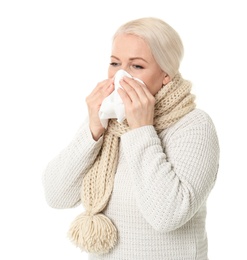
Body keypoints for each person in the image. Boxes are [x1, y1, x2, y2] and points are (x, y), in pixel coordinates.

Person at [42, 17, 220, 260]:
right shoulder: (109, 120)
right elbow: (56, 196)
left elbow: (167, 216)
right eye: (115, 63)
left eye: (136, 66)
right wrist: (92, 131)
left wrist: (141, 130)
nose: (121, 77)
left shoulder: (194, 125)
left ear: (165, 74)